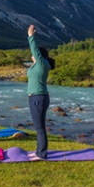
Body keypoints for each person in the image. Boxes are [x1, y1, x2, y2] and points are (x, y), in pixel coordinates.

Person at [26, 24, 55, 161]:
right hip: (35, 97)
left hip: (38, 97)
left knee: (39, 127)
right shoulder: (37, 65)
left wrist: (31, 36)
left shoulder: (42, 64)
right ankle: (39, 150)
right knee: (38, 126)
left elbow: (34, 49)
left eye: (35, 54)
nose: (32, 55)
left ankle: (42, 153)